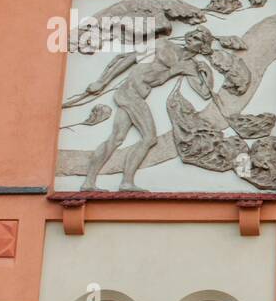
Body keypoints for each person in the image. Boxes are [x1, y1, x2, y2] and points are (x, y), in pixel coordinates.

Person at [69, 31, 211, 191]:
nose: (190, 38)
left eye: (196, 38)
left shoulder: (189, 65)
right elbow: (130, 59)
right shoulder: (164, 44)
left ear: (203, 46)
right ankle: (126, 182)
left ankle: (89, 183)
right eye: (190, 35)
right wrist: (102, 82)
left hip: (137, 95)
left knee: (116, 139)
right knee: (149, 138)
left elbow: (205, 93)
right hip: (130, 92)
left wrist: (207, 74)